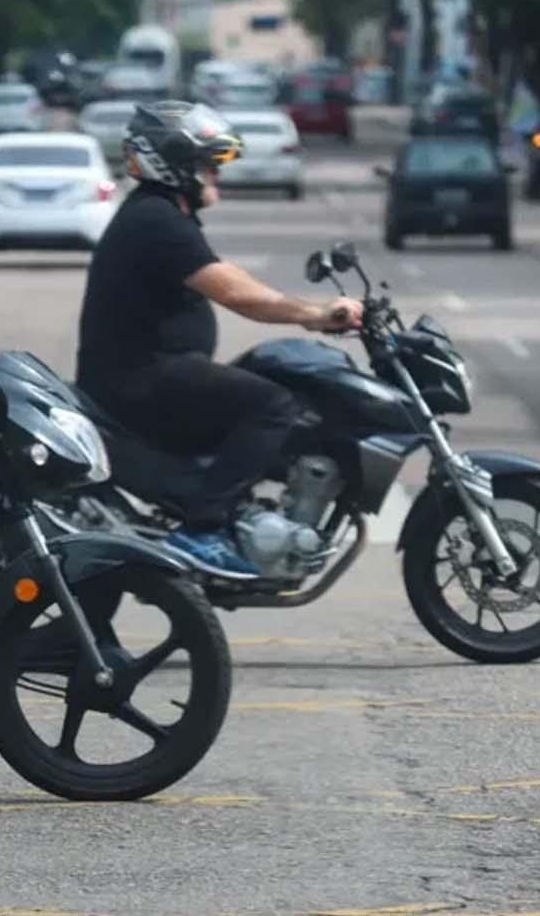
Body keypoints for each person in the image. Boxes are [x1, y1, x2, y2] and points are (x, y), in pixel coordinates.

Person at [74, 101, 363, 578]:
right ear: (174, 163)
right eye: (209, 163)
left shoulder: (162, 216)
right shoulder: (156, 220)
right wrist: (315, 314)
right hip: (139, 382)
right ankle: (202, 529)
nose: (216, 174)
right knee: (273, 404)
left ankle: (233, 513)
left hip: (148, 375)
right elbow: (235, 292)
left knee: (262, 383)